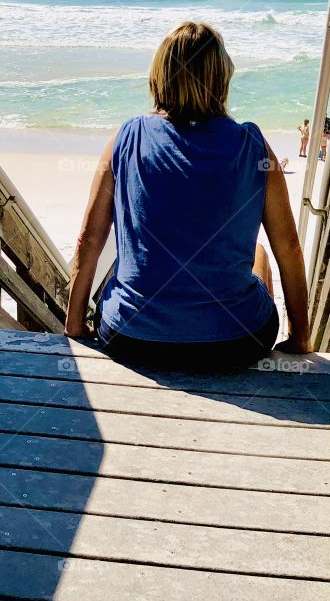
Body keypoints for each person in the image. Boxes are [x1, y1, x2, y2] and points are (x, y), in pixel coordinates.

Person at [65, 21, 312, 370]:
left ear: (160, 75)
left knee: (120, 265)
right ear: (221, 78)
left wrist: (74, 328)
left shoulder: (126, 137)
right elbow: (289, 247)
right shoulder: (252, 146)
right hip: (236, 343)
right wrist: (301, 336)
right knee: (259, 254)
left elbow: (88, 240)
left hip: (132, 339)